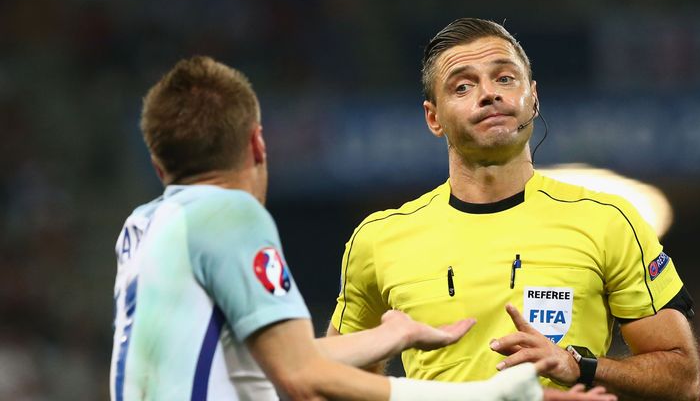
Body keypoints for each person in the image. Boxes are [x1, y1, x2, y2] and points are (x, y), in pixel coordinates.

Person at [109, 55, 564, 401]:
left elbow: (259, 359)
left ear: (158, 165)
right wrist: (481, 395)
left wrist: (391, 336)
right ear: (257, 143)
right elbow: (301, 374)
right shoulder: (231, 214)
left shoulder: (145, 225)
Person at [328, 18, 700, 401]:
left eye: (505, 78)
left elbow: (682, 378)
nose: (489, 94)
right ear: (433, 118)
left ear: (533, 97)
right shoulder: (377, 239)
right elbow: (332, 381)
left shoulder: (608, 221)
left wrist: (579, 365)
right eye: (462, 86)